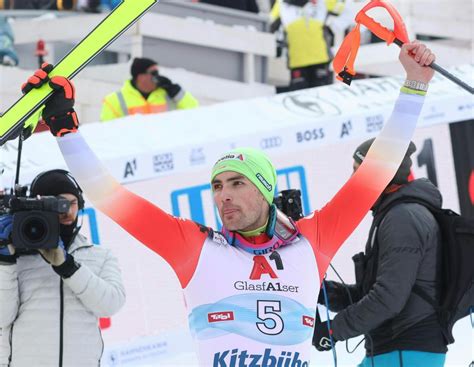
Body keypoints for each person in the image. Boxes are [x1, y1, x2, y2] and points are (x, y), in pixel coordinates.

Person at [23, 42, 434, 366]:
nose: (223, 195)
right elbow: (108, 195)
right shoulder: (194, 247)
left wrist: (415, 84)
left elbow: (376, 172)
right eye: (217, 186)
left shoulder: (311, 243)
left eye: (237, 183)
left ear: (265, 190)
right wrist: (65, 128)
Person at [312, 139, 449, 367]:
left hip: (406, 350)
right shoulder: (395, 213)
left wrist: (334, 329)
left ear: (381, 175)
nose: (351, 182)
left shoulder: (403, 218)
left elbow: (388, 299)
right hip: (397, 351)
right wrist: (327, 293)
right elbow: (379, 292)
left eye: (358, 173)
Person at [0, 170, 126, 367]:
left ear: (81, 204)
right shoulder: (17, 256)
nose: (67, 211)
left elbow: (111, 304)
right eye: (58, 203)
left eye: (72, 202)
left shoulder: (100, 256)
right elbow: (2, 317)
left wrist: (68, 266)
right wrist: (5, 261)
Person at [100, 57, 199, 122]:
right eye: (153, 73)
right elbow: (107, 130)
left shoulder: (168, 94)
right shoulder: (114, 100)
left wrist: (176, 92)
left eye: (157, 73)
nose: (157, 77)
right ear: (140, 77)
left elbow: (195, 111)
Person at [270, 0, 333, 91]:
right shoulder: (281, 3)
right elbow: (268, 24)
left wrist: (334, 26)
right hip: (300, 60)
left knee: (320, 94)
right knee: (302, 97)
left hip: (318, 59)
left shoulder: (322, 1)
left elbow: (346, 10)